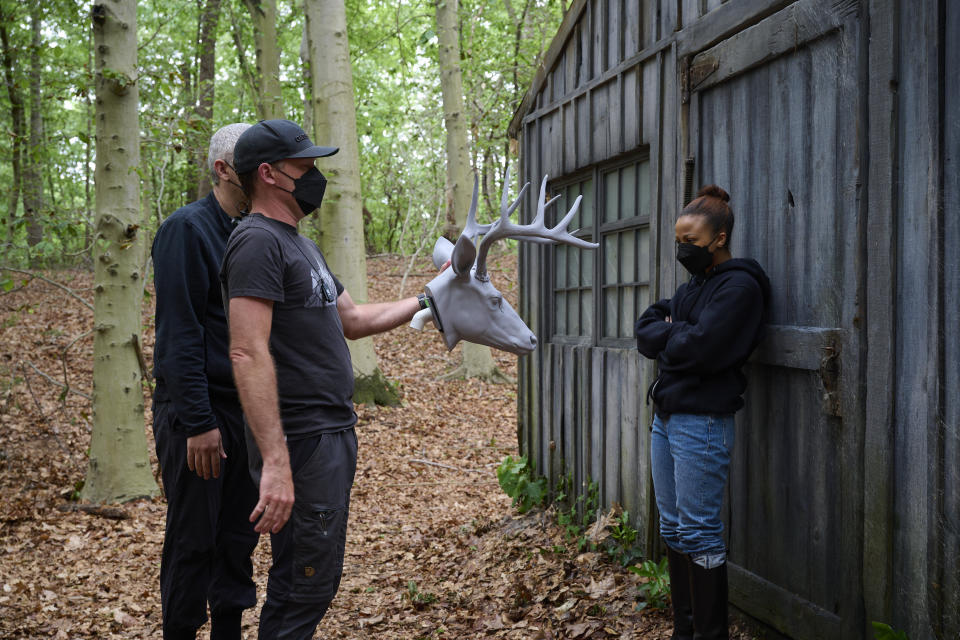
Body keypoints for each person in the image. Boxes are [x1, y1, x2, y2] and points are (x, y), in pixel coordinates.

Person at [220, 119, 429, 639]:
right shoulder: (256, 243)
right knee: (301, 586)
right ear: (268, 173)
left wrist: (429, 299)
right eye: (305, 167)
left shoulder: (299, 245)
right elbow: (246, 351)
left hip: (331, 433)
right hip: (301, 439)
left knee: (315, 579)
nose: (315, 176)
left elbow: (353, 321)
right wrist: (275, 462)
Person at [634, 185, 770, 640]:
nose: (681, 249)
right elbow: (647, 327)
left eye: (690, 241)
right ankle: (684, 630)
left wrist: (675, 334)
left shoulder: (741, 286)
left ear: (719, 237)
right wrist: (678, 331)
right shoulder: (694, 287)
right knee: (673, 526)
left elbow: (703, 348)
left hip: (702, 421)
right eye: (678, 240)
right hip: (667, 418)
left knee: (699, 531)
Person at [151, 123, 261, 639]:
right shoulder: (186, 230)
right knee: (194, 539)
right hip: (198, 414)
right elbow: (179, 332)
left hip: (244, 412)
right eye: (251, 161)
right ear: (222, 170)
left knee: (238, 537)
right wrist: (198, 423)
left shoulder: (253, 231)